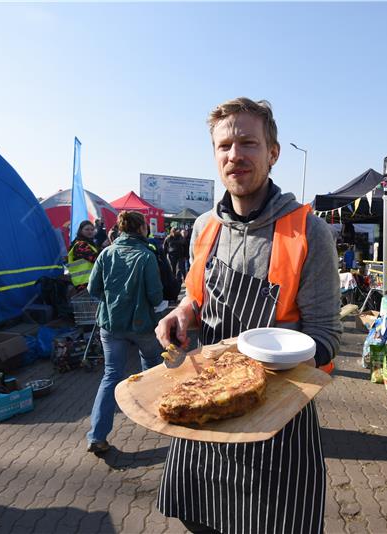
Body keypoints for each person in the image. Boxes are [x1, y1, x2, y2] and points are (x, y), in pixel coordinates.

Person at [154, 97, 341, 534]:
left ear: (272, 153)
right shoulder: (204, 227)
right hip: (204, 411)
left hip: (276, 425)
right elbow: (195, 297)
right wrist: (182, 313)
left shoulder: (307, 230)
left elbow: (328, 335)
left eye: (248, 143)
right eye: (224, 146)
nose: (234, 155)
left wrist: (274, 366)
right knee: (196, 519)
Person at [85, 210, 164, 454]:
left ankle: (97, 436)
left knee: (111, 376)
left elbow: (92, 289)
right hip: (142, 325)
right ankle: (154, 418)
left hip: (110, 325)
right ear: (142, 229)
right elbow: (156, 296)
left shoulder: (106, 253)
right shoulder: (146, 256)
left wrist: (113, 300)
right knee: (151, 367)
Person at [66, 220, 99, 290]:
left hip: (87, 281)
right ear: (81, 231)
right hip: (83, 283)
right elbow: (95, 259)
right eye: (87, 229)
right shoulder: (81, 245)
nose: (90, 231)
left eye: (92, 229)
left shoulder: (89, 243)